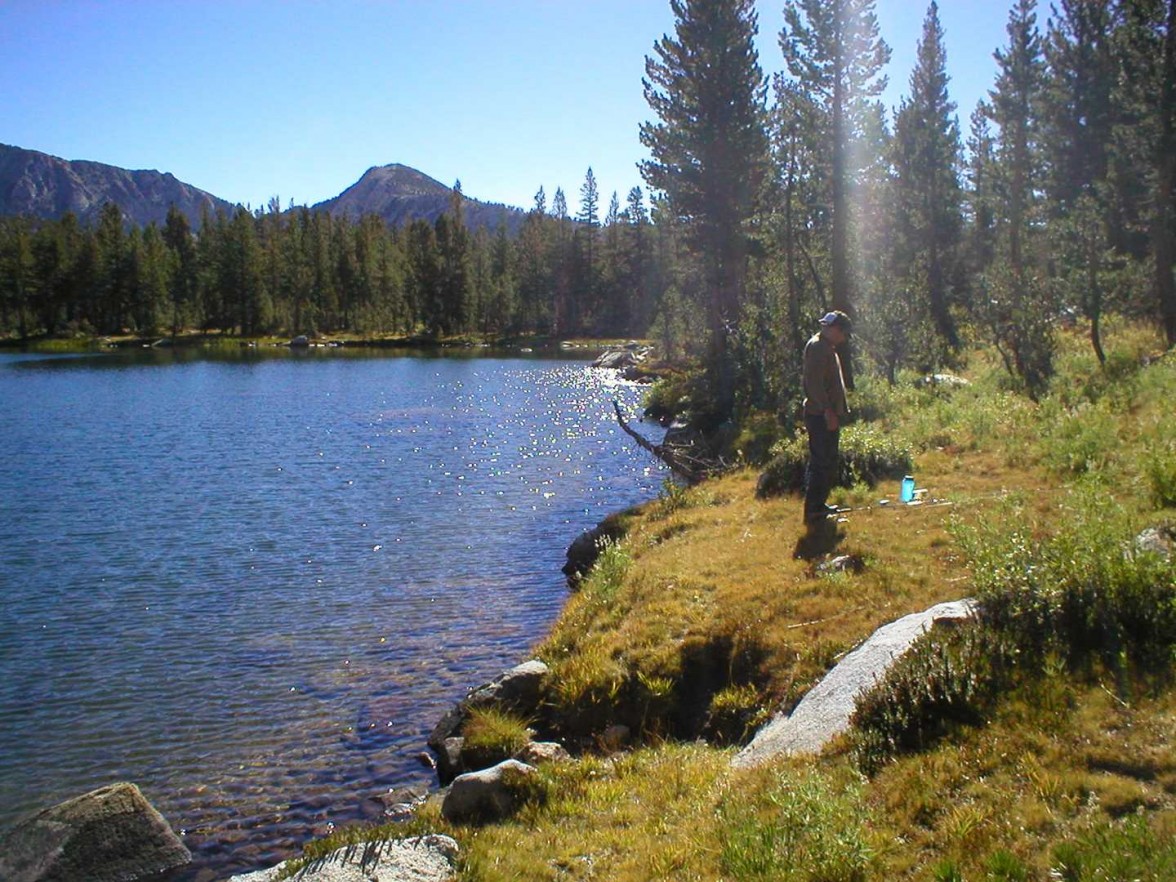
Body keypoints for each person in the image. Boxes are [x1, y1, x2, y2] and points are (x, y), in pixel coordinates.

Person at [801, 310, 851, 522]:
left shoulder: (825, 347)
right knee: (822, 462)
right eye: (843, 332)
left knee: (825, 460)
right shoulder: (818, 348)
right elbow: (813, 384)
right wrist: (827, 412)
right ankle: (815, 510)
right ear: (835, 329)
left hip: (822, 414)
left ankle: (818, 505)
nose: (844, 337)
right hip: (820, 416)